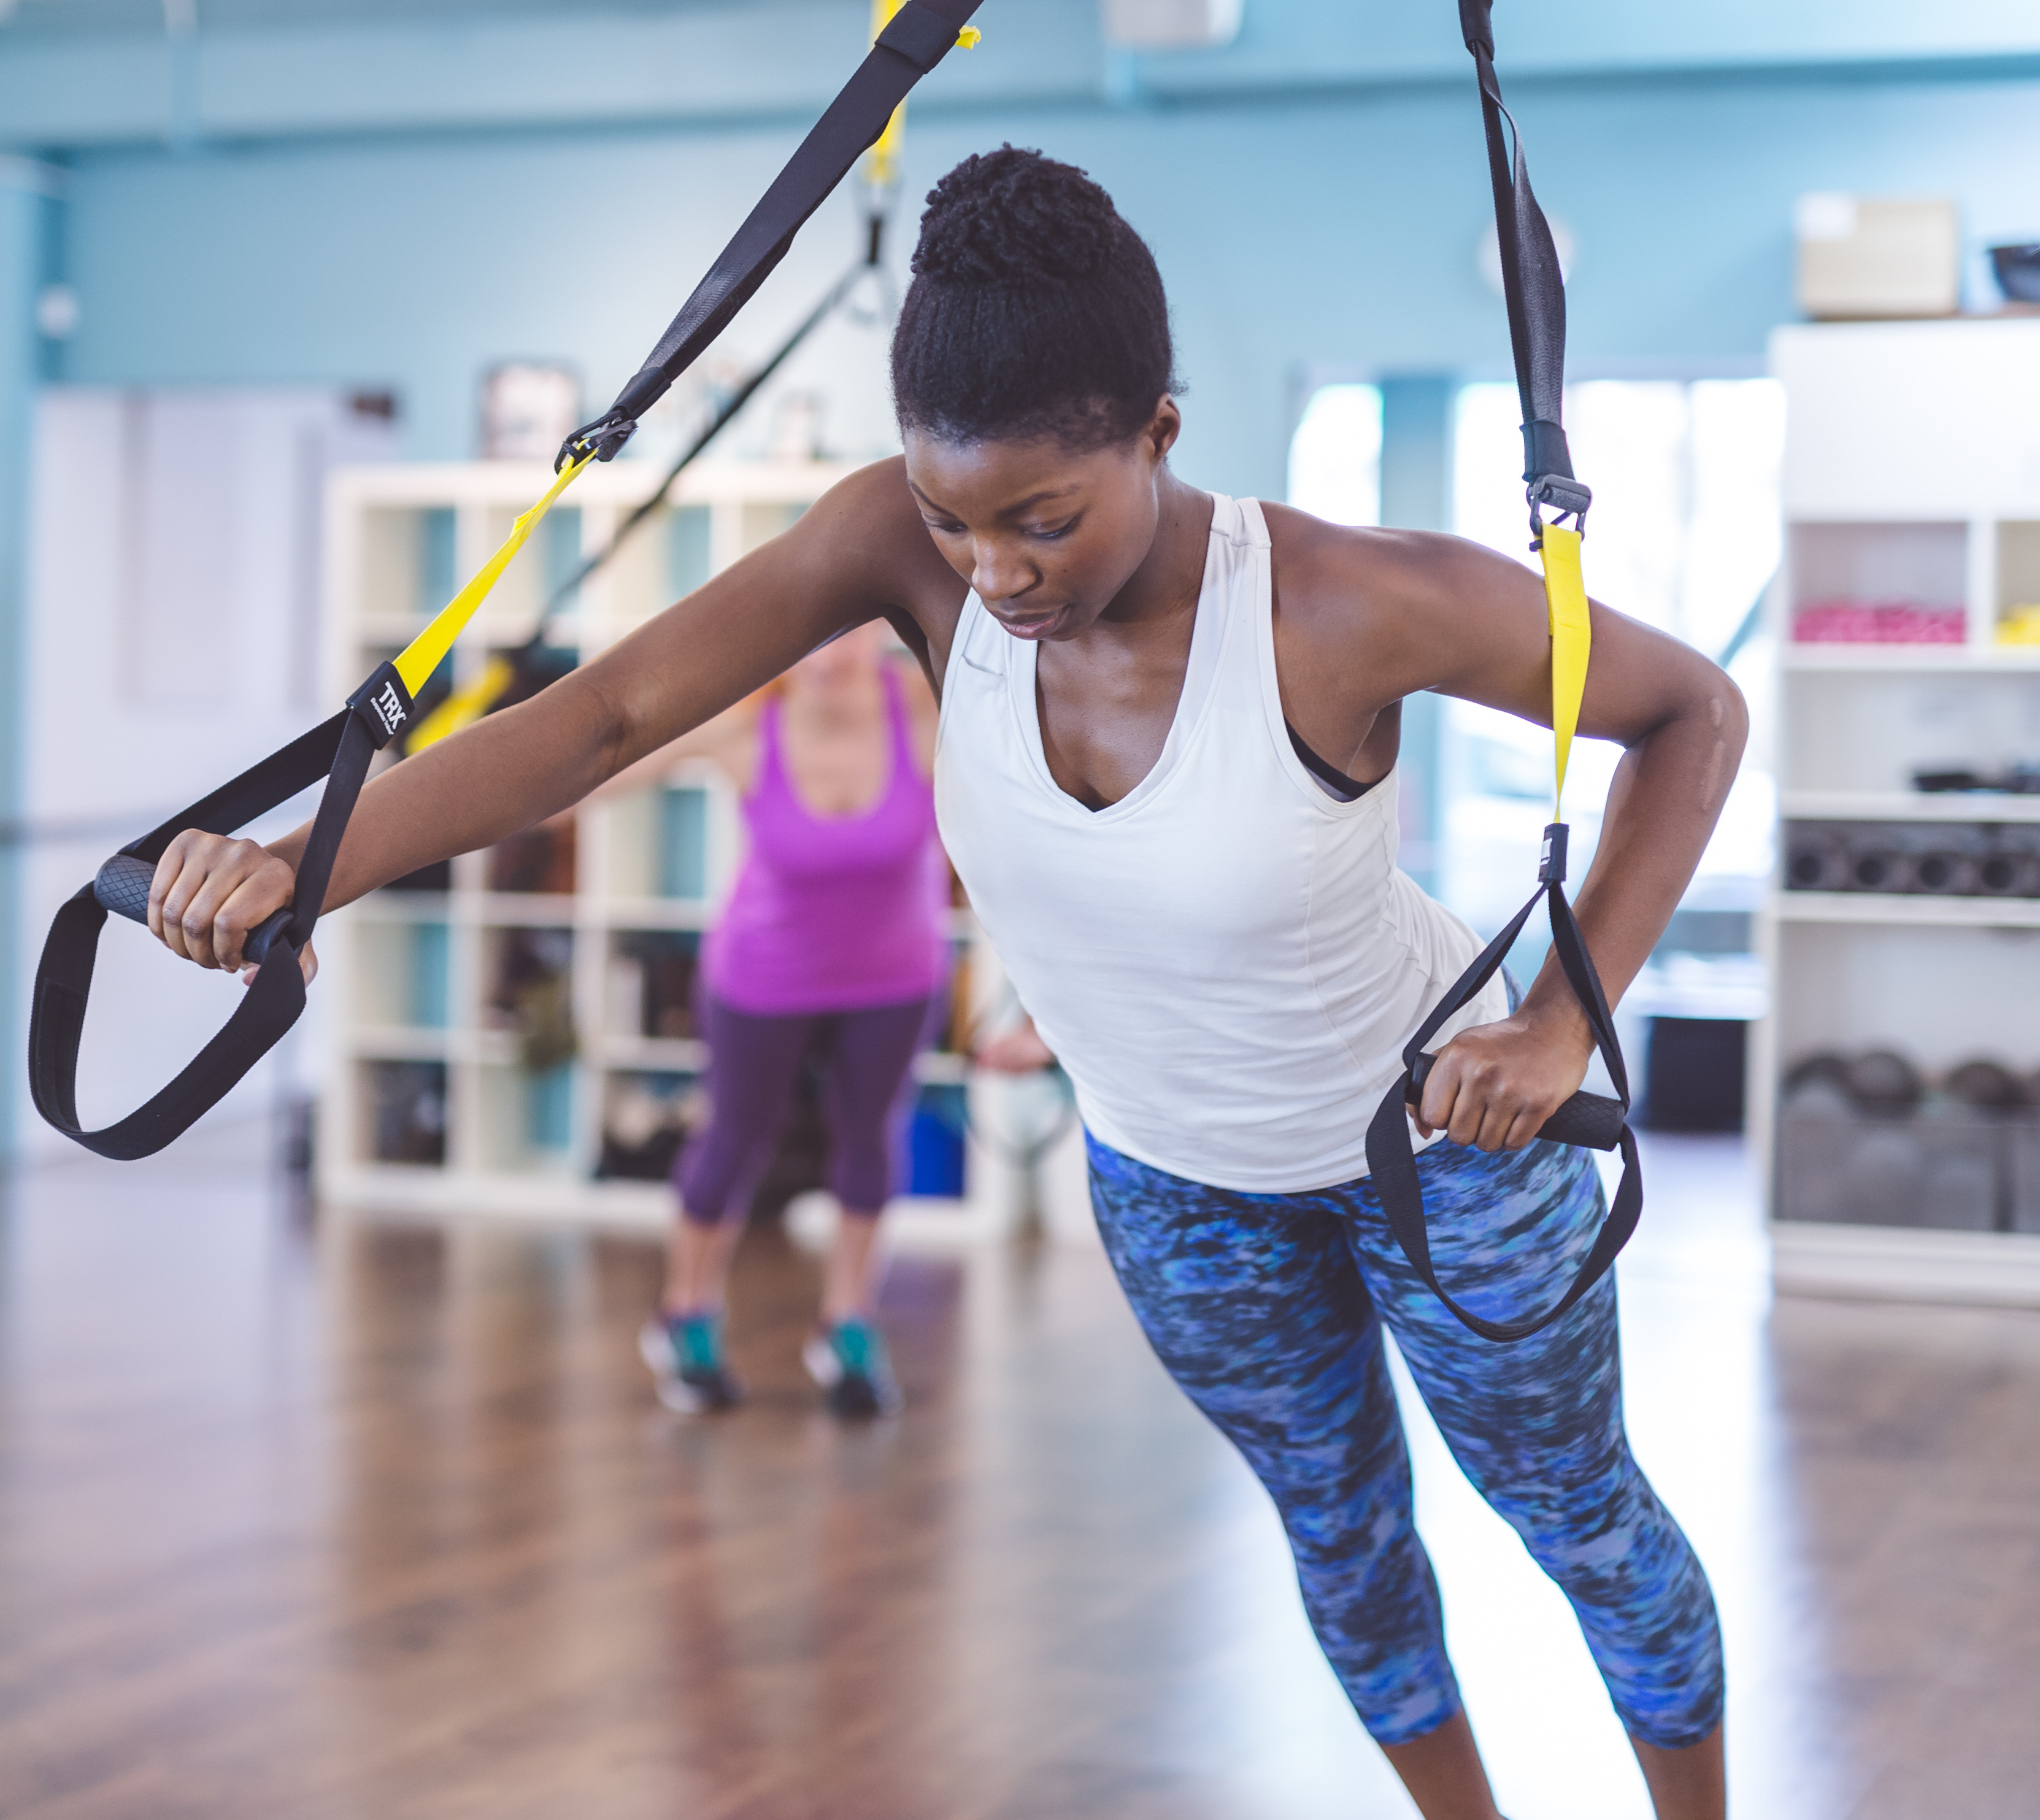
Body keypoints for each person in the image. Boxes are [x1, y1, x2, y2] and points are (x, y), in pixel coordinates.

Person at [140, 147, 1744, 1816]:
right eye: (956, 517)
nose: (996, 572)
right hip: (1178, 1187)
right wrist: (308, 859)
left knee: (1578, 1519)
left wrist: (1564, 1015)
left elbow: (1692, 712)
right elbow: (604, 715)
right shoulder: (898, 551)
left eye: (1044, 517)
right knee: (1342, 1538)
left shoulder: (1348, 602)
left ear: (1158, 433)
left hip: (1448, 1160)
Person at [591, 618, 946, 1417]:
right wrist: (467, 791)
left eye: (849, 634)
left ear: (879, 636)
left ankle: (849, 1327)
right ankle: (684, 1315)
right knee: (735, 1139)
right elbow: (600, 768)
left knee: (870, 1140)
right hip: (762, 975)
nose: (830, 655)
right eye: (812, 637)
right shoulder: (748, 720)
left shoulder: (922, 707)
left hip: (894, 975)